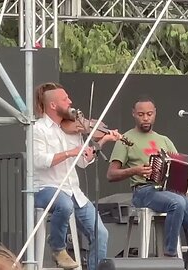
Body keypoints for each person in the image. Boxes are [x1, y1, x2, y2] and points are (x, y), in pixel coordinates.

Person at [106, 96, 188, 270]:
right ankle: (170, 256)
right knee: (177, 202)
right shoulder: (125, 139)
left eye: (149, 114)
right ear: (134, 114)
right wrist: (134, 170)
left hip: (170, 192)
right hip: (143, 191)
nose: (145, 118)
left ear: (155, 114)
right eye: (141, 114)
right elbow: (111, 174)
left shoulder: (164, 140)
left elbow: (181, 169)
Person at [33, 82, 122, 270]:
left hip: (73, 191)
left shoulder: (73, 128)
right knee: (64, 204)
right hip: (45, 188)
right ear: (53, 105)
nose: (70, 101)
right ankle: (58, 248)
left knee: (101, 233)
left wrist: (101, 143)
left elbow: (82, 162)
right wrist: (70, 152)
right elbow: (39, 161)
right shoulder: (37, 129)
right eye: (65, 99)